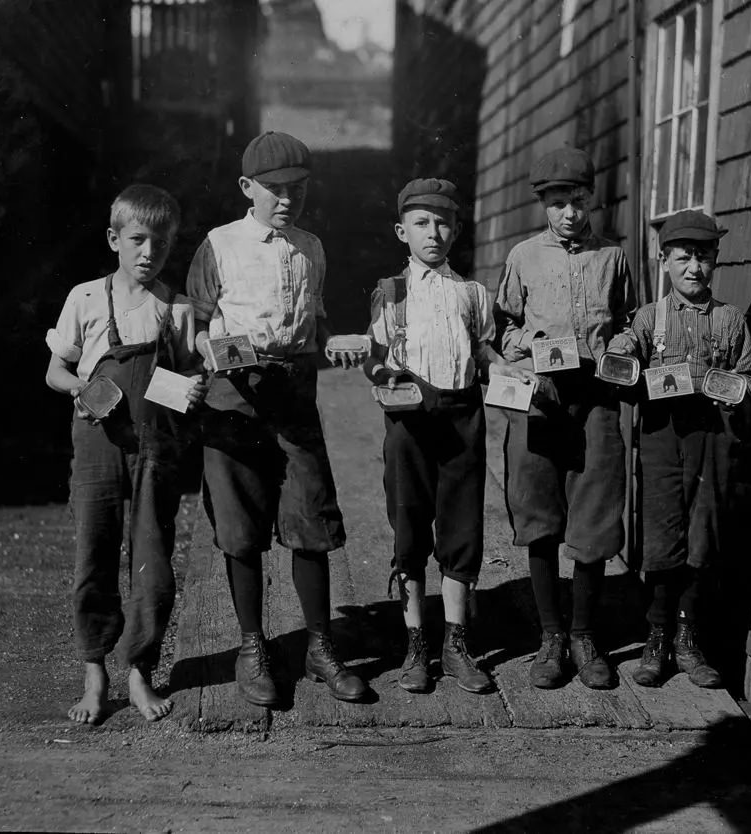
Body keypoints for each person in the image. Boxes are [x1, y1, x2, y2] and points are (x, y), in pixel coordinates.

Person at [186, 131, 370, 707]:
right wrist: (210, 349)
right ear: (247, 189)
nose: (287, 199)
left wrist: (332, 340)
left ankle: (319, 647)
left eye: (297, 188)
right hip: (232, 399)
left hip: (293, 394)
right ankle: (251, 647)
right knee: (241, 529)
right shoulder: (220, 244)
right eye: (274, 190)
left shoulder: (311, 247)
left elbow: (313, 321)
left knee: (310, 520)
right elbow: (193, 320)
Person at [363, 178, 536, 695]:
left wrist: (508, 370)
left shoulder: (473, 293)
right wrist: (381, 376)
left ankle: (457, 644)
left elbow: (482, 351)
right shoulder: (391, 292)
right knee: (410, 525)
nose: (432, 233)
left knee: (461, 528)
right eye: (421, 223)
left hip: (463, 416)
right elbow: (375, 357)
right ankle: (416, 644)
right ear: (402, 231)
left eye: (442, 223)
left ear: (456, 229)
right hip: (409, 418)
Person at [45, 184, 207, 724]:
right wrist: (81, 389)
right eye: (137, 240)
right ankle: (95, 674)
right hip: (97, 443)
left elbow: (187, 372)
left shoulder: (177, 308)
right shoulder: (85, 298)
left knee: (153, 563)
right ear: (114, 239)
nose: (148, 252)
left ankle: (140, 670)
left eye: (160, 243)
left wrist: (195, 385)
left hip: (155, 447)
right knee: (94, 553)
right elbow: (55, 370)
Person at [494, 147, 637, 690]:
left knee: (595, 514)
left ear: (590, 200)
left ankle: (584, 634)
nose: (569, 213)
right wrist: (527, 345)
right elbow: (502, 327)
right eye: (557, 203)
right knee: (537, 513)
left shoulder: (613, 258)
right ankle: (550, 636)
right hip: (541, 396)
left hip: (596, 398)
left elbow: (627, 322)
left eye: (577, 201)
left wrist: (620, 346)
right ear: (543, 206)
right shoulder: (524, 257)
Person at [607, 208, 751, 689]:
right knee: (662, 533)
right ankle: (656, 638)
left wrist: (732, 386)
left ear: (716, 260)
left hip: (711, 440)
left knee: (702, 533)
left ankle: (689, 640)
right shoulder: (650, 319)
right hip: (660, 439)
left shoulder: (731, 320)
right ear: (664, 261)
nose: (694, 267)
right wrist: (622, 358)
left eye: (704, 256)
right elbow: (623, 353)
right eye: (683, 257)